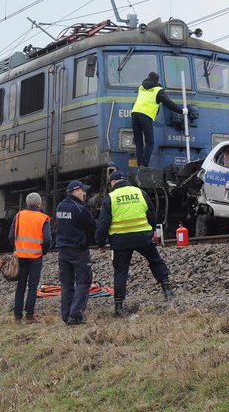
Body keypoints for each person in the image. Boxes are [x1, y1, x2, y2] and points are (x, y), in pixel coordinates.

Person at [95, 171, 174, 318]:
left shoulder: (110, 198)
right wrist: (151, 232)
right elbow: (152, 214)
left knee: (120, 271)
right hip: (142, 237)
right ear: (124, 180)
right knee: (155, 261)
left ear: (113, 182)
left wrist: (100, 243)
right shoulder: (140, 193)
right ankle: (167, 289)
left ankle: (119, 306)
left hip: (120, 241)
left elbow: (103, 225)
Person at [55, 180, 96, 325]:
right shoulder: (80, 208)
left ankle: (66, 316)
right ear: (75, 191)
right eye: (83, 191)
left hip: (63, 251)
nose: (85, 193)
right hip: (78, 250)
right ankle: (76, 314)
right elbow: (92, 226)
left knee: (66, 284)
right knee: (84, 282)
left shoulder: (60, 207)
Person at [9, 192, 52, 324]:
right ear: (39, 203)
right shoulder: (44, 218)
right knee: (33, 286)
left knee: (20, 286)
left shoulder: (19, 215)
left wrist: (16, 248)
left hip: (20, 256)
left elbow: (11, 236)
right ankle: (29, 315)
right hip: (35, 257)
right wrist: (42, 252)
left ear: (27, 203)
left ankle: (17, 317)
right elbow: (47, 239)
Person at [131, 71, 186, 167]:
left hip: (134, 114)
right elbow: (168, 103)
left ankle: (139, 165)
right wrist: (181, 111)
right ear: (157, 80)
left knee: (139, 142)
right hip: (145, 115)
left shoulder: (141, 87)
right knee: (150, 142)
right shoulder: (158, 90)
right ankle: (144, 165)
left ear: (148, 78)